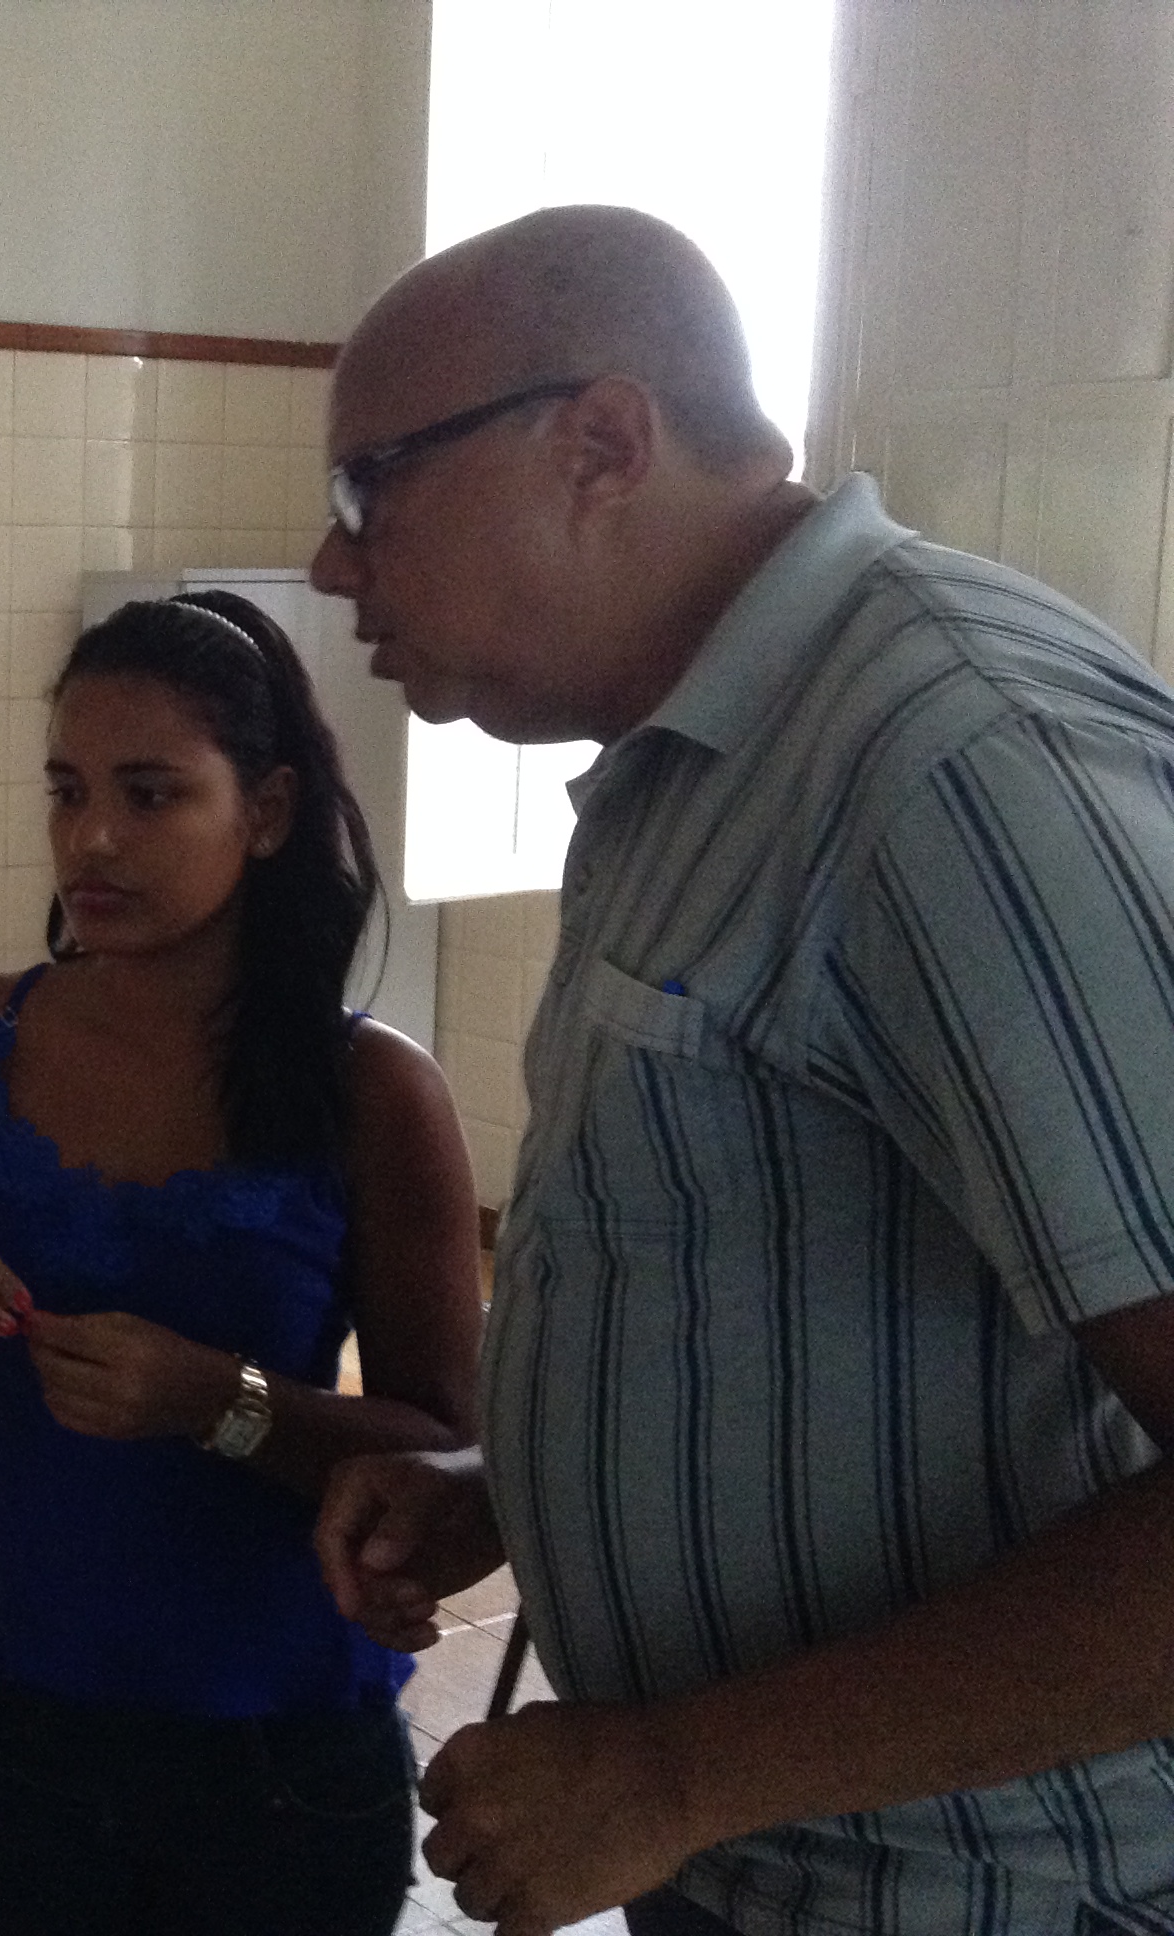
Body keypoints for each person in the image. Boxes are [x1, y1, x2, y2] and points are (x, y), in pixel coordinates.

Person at [310, 204, 1174, 1936]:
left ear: (602, 445)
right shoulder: (693, 764)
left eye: (369, 487)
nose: (332, 567)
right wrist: (525, 1494)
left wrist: (680, 1775)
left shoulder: (952, 763)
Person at [0, 591, 482, 1936]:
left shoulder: (372, 1090)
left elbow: (449, 1458)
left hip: (273, 1744)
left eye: (151, 793)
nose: (93, 838)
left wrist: (219, 1402)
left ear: (268, 810)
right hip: (6, 1717)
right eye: (67, 791)